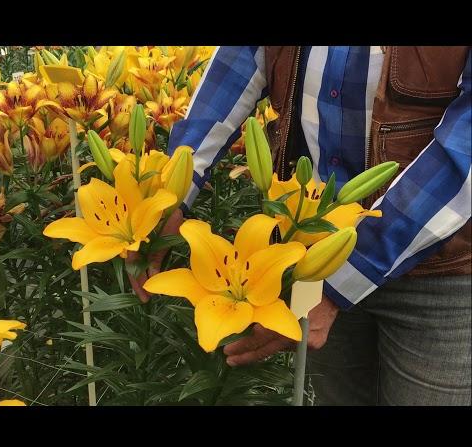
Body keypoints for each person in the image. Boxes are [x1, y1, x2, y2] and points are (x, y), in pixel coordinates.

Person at [130, 46, 471, 406]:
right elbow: (237, 63)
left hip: (441, 272)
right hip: (315, 253)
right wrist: (168, 196)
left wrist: (337, 283)